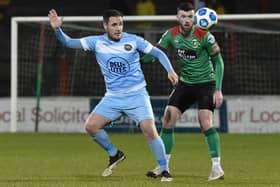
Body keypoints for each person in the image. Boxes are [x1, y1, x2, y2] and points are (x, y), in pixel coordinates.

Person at [48, 9, 178, 182]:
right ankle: (114, 154)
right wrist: (57, 29)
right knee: (91, 126)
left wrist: (170, 70)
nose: (118, 28)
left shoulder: (133, 40)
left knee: (149, 129)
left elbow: (158, 53)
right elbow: (68, 42)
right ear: (105, 26)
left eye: (121, 24)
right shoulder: (96, 42)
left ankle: (164, 169)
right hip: (113, 97)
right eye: (114, 25)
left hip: (137, 95)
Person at [141, 2, 225, 181]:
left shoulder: (205, 36)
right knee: (168, 118)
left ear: (194, 17)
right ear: (177, 17)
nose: (187, 20)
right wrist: (138, 56)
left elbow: (219, 63)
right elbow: (154, 53)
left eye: (190, 16)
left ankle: (217, 168)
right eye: (183, 16)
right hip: (185, 84)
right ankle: (163, 165)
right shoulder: (170, 34)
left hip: (206, 84)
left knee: (205, 122)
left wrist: (218, 90)